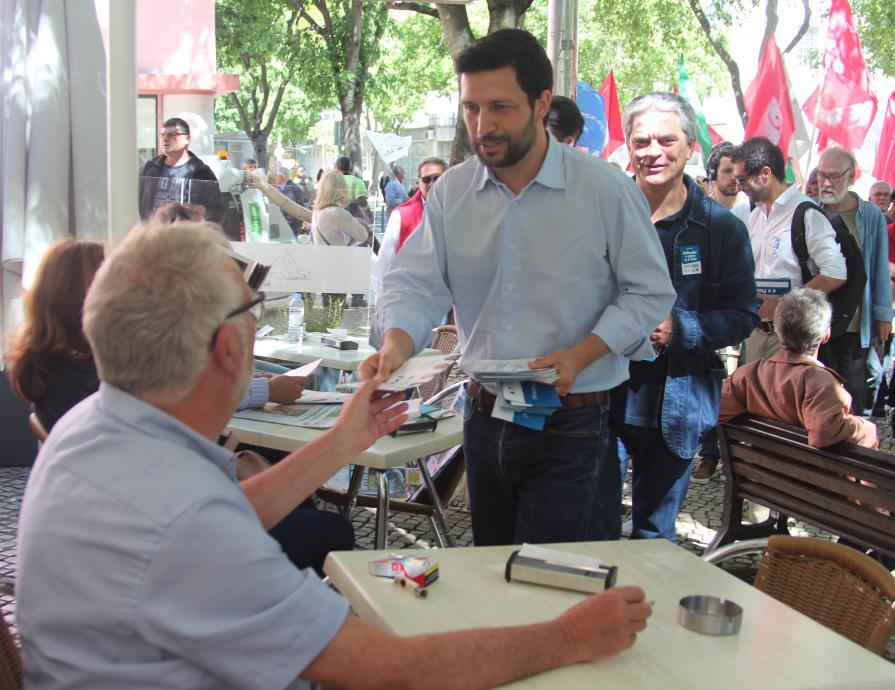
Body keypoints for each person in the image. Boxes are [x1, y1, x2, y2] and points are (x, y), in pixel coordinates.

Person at [16, 221, 652, 689]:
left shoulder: (95, 429)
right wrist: (569, 634)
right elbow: (389, 670)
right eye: (253, 309)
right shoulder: (184, 525)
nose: (258, 323)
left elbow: (223, 513)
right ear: (229, 351)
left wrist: (344, 442)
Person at [362, 29, 676, 547]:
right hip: (483, 417)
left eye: (500, 107)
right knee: (494, 579)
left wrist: (582, 353)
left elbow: (648, 293)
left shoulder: (603, 190)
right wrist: (396, 342)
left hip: (574, 426)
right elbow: (414, 283)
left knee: (556, 588)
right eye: (471, 108)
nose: (483, 126)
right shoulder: (453, 192)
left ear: (540, 103)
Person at [5, 233, 347, 574]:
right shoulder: (98, 385)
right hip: (177, 541)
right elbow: (193, 516)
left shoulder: (60, 372)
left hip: (148, 531)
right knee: (333, 529)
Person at [607, 93, 759, 540]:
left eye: (666, 140)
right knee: (590, 533)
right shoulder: (603, 216)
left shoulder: (721, 229)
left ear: (690, 146)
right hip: (600, 402)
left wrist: (681, 328)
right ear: (629, 148)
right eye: (642, 141)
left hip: (676, 405)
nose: (653, 151)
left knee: (654, 538)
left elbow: (743, 313)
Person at [730, 137, 846, 363]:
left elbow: (835, 273)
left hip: (792, 336)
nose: (739, 187)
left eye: (742, 179)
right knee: (754, 397)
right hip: (756, 331)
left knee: (782, 398)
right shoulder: (755, 217)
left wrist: (784, 303)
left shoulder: (806, 214)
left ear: (765, 173)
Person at [720, 288, 878, 448]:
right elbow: (824, 432)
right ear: (826, 335)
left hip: (758, 468)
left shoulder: (748, 375)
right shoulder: (822, 386)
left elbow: (714, 408)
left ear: (777, 330)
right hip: (809, 471)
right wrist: (866, 428)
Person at [815, 147, 892, 416]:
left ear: (851, 177)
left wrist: (883, 315)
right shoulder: (809, 210)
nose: (826, 182)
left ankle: (857, 449)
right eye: (822, 175)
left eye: (834, 176)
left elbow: (879, 268)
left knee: (856, 394)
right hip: (817, 320)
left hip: (855, 322)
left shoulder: (870, 216)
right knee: (821, 394)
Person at [371, 157, 448, 302]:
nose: (432, 183)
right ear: (419, 182)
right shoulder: (401, 216)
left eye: (438, 178)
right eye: (426, 179)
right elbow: (383, 265)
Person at [138, 117, 224, 222]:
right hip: (155, 234)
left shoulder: (202, 172)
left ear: (187, 139)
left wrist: (202, 211)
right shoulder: (149, 169)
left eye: (172, 135)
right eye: (163, 135)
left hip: (186, 235)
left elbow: (217, 212)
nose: (165, 138)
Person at [705, 141, 751, 224]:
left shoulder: (750, 208)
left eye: (737, 170)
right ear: (713, 174)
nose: (734, 177)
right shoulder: (701, 209)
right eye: (727, 171)